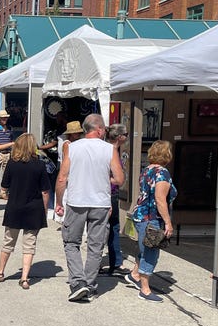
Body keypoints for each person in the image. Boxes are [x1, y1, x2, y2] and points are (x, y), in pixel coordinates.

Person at [55, 114, 124, 302]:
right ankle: (90, 285)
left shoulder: (72, 147)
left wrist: (59, 202)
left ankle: (78, 282)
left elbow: (62, 178)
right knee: (95, 246)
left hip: (77, 201)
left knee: (71, 242)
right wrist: (104, 179)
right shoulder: (110, 149)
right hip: (100, 203)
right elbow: (119, 179)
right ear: (100, 129)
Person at [0, 133, 50, 290]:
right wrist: (44, 210)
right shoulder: (39, 165)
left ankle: (1, 272)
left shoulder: (12, 163)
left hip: (15, 207)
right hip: (34, 207)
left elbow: (4, 186)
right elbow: (45, 191)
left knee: (9, 241)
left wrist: (7, 193)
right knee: (29, 244)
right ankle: (24, 278)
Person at [125, 140, 176, 303]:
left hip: (140, 216)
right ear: (167, 155)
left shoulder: (146, 170)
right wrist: (168, 223)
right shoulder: (162, 173)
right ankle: (144, 289)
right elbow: (160, 199)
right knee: (151, 252)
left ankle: (134, 274)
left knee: (143, 248)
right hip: (151, 218)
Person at [104, 123, 131, 276]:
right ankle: (116, 263)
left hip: (110, 193)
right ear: (120, 137)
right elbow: (111, 177)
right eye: (126, 134)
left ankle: (116, 261)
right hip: (109, 194)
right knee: (112, 227)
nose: (127, 137)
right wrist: (113, 179)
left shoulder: (112, 150)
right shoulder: (111, 151)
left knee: (111, 228)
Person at [0, 110, 13, 200]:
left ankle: (3, 192)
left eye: (6, 118)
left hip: (7, 153)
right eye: (3, 118)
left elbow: (11, 139)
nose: (5, 119)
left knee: (6, 174)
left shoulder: (9, 128)